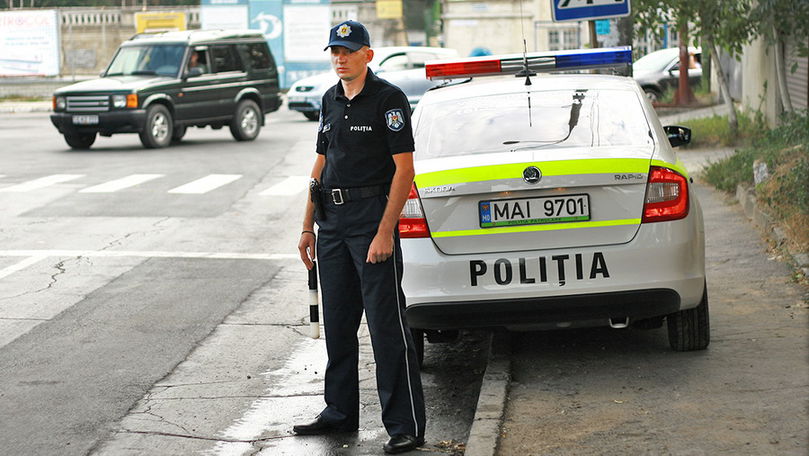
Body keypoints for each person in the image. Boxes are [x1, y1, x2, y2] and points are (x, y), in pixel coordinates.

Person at [294, 20, 426, 455]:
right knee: (338, 322)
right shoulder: (330, 100)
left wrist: (385, 231)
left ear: (367, 54)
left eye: (348, 50)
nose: (340, 57)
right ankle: (340, 412)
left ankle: (404, 425)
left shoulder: (388, 99)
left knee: (386, 326)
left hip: (372, 221)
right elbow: (319, 165)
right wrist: (306, 225)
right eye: (334, 50)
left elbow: (404, 170)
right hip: (331, 224)